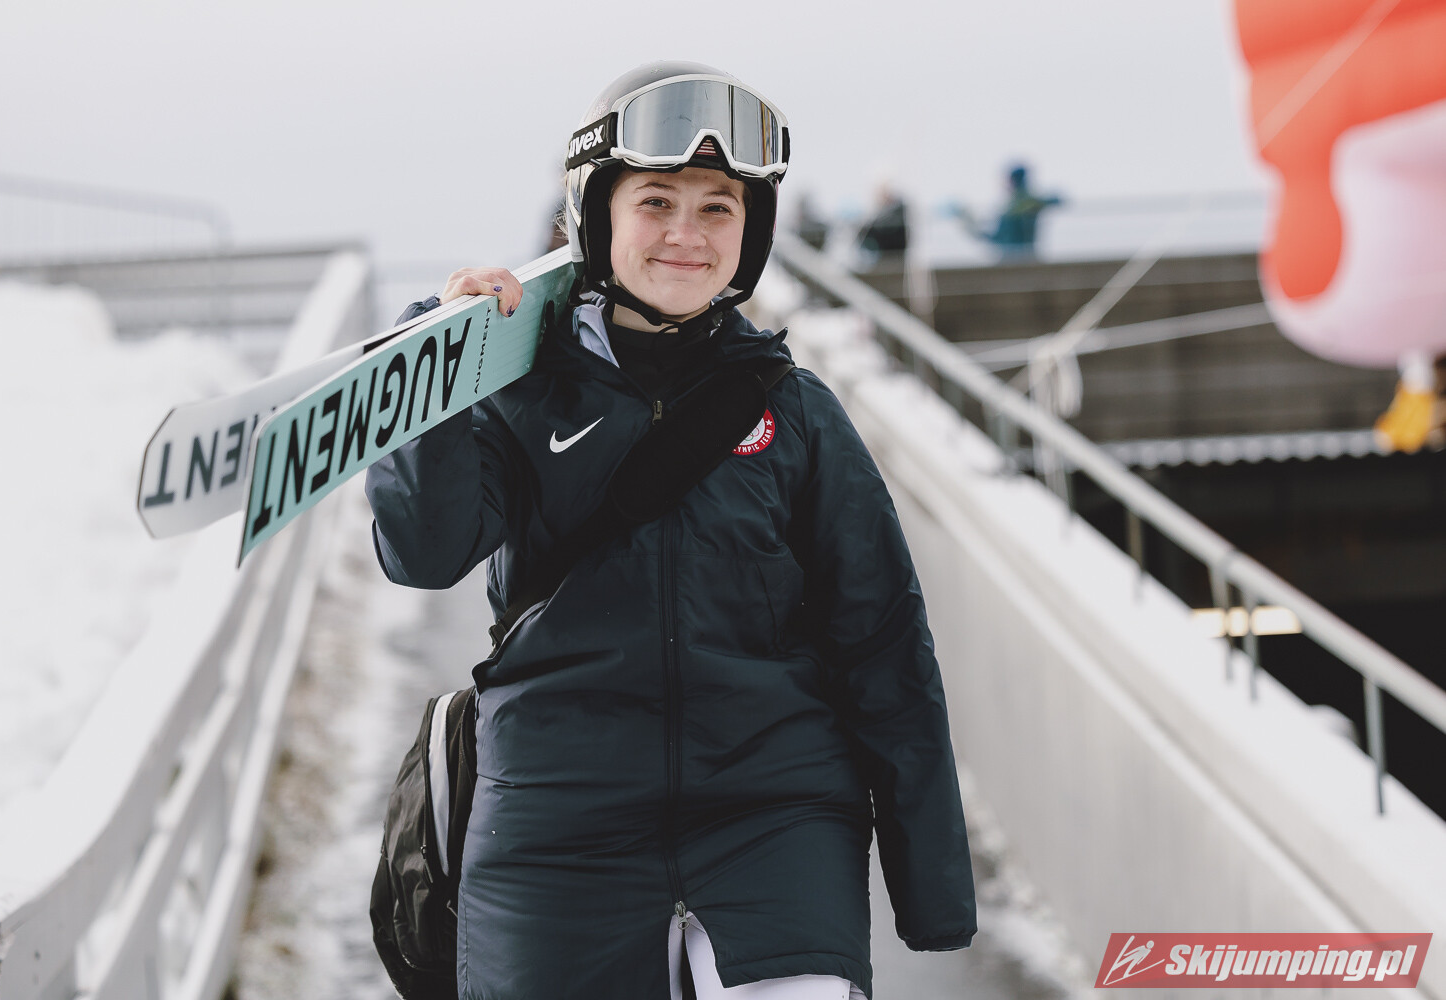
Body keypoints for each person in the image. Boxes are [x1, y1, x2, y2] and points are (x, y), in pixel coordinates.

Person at [365, 61, 975, 1000]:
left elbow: (886, 644)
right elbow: (423, 552)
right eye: (655, 201)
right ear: (595, 213)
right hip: (555, 827)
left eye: (718, 208)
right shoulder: (521, 396)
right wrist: (439, 363)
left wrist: (931, 887)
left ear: (751, 232)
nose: (687, 235)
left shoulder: (796, 413)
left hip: (778, 820)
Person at [951, 162, 1062, 259]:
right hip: (1009, 258)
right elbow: (997, 238)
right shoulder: (1010, 209)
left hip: (1025, 257)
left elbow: (1056, 200)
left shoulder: (1028, 203)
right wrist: (973, 228)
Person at [856, 183, 909, 267]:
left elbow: (887, 225)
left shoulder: (897, 210)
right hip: (885, 254)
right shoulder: (884, 213)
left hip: (894, 253)